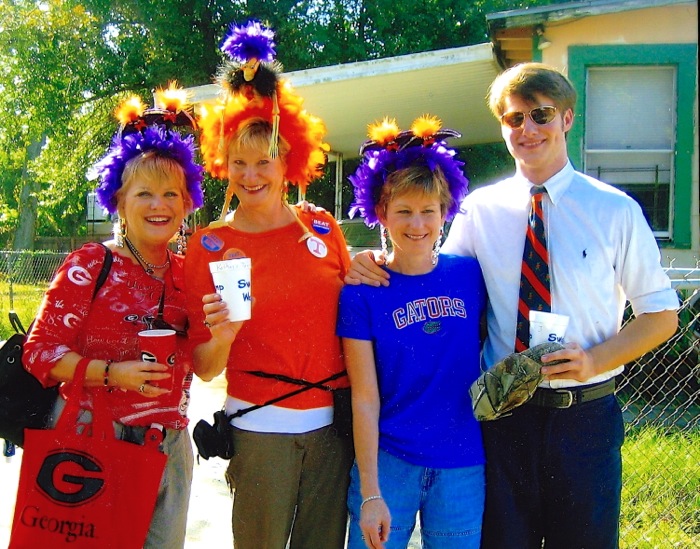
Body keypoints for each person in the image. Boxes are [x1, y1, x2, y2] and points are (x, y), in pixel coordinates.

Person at [346, 62, 679, 548]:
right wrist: (370, 260)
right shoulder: (481, 210)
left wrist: (595, 360)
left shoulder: (615, 210)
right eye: (514, 118)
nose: (528, 129)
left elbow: (661, 316)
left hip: (583, 416)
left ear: (567, 119)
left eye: (541, 115)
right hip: (504, 418)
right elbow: (429, 273)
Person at [184, 21, 353, 549]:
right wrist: (227, 333)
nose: (251, 174)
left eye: (264, 161)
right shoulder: (209, 244)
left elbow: (355, 312)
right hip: (257, 429)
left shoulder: (323, 227)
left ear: (289, 162)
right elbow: (205, 365)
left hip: (332, 429)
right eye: (239, 162)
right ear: (223, 164)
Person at [23, 86, 205, 548]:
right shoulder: (91, 264)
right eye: (144, 193)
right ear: (120, 202)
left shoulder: (191, 275)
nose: (159, 205)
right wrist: (112, 374)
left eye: (171, 193)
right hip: (92, 443)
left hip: (169, 450)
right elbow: (40, 352)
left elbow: (206, 360)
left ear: (187, 204)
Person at [337, 116, 486, 549]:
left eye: (429, 210)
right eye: (403, 210)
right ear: (380, 213)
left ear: (446, 211)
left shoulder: (469, 275)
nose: (417, 223)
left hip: (461, 462)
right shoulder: (362, 292)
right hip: (389, 463)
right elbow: (364, 397)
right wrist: (370, 491)